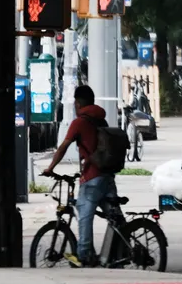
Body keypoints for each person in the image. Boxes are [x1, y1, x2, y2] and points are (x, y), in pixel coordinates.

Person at [43, 85, 117, 266]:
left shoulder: (80, 122)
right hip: (108, 175)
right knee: (115, 218)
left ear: (77, 103)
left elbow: (63, 148)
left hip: (92, 177)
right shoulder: (101, 120)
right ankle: (120, 252)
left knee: (84, 215)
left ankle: (84, 255)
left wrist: (50, 168)